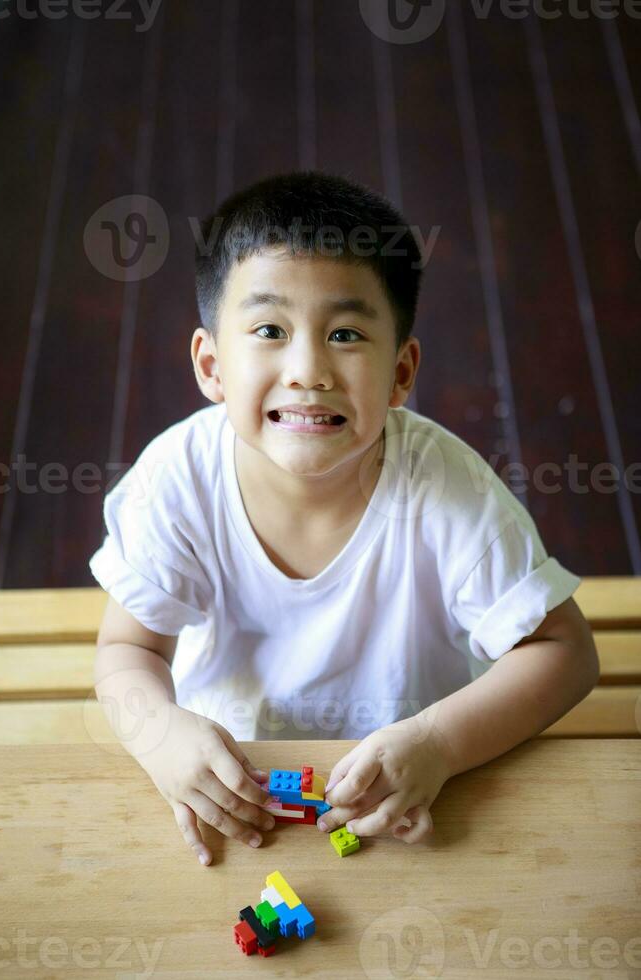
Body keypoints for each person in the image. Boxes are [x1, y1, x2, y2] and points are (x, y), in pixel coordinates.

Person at [89, 170, 600, 868]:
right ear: (211, 365)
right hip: (235, 772)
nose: (307, 369)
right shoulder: (176, 480)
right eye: (269, 329)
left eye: (347, 334)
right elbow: (128, 651)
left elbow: (566, 653)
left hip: (413, 778)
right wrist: (161, 740)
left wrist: (439, 744)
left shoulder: (451, 493)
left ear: (401, 372)